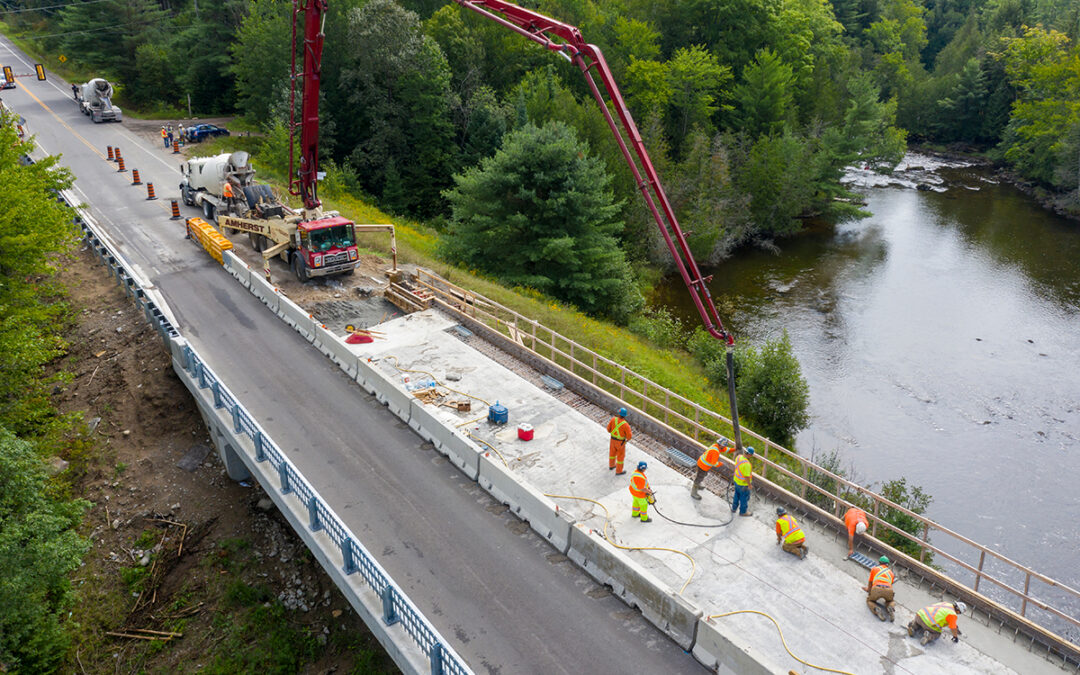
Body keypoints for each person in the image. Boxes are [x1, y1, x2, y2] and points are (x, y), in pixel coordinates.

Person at [863, 556, 896, 622]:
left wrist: (869, 591)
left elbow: (870, 582)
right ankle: (891, 608)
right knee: (890, 601)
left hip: (876, 588)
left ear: (879, 562)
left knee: (870, 601)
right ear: (887, 564)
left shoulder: (874, 569)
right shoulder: (892, 574)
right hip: (888, 589)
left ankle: (876, 609)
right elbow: (890, 584)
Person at [730, 446, 755, 516]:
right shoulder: (747, 464)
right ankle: (743, 512)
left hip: (736, 481)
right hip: (743, 484)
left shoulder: (739, 457)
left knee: (736, 494)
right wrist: (749, 485)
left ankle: (734, 508)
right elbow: (746, 476)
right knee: (744, 498)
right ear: (750, 455)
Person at [607, 407, 631, 475]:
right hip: (620, 442)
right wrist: (625, 440)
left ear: (619, 414)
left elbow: (608, 429)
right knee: (620, 457)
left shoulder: (613, 419)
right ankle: (618, 471)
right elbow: (629, 436)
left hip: (612, 440)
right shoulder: (626, 425)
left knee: (612, 454)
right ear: (625, 416)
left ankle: (611, 465)